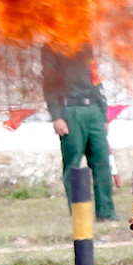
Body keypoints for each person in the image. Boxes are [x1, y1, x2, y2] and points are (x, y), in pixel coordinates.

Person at [42, 43, 116, 221]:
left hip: (93, 110)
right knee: (73, 165)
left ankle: (106, 212)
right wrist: (57, 116)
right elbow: (49, 83)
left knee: (102, 161)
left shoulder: (85, 44)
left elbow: (95, 77)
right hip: (70, 111)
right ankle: (79, 214)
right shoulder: (51, 47)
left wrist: (103, 113)